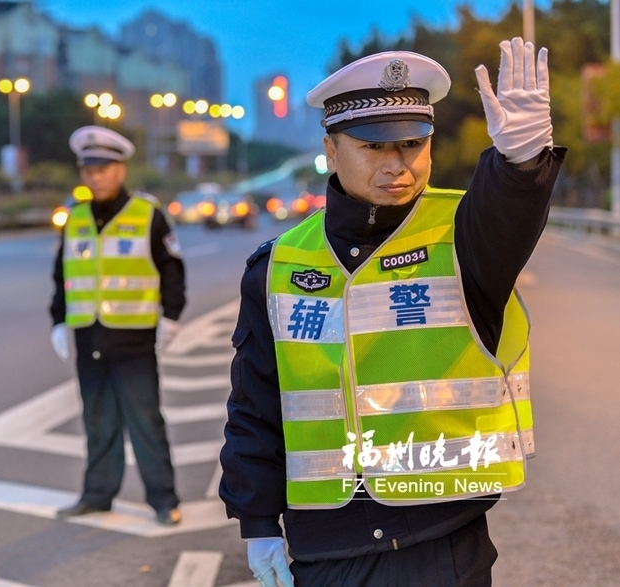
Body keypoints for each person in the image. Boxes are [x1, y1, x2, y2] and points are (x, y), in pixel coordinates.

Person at [219, 38, 565, 587]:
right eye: (373, 146)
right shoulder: (278, 265)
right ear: (331, 151)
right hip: (325, 548)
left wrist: (521, 163)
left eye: (412, 143)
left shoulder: (463, 236)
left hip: (442, 538)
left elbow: (510, 214)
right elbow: (256, 404)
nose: (398, 164)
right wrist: (257, 521)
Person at [49, 125, 186, 526]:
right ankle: (97, 494)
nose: (96, 176)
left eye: (104, 168)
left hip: (133, 338)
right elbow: (62, 275)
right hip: (88, 335)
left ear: (120, 169)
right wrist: (58, 320)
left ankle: (163, 499)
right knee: (96, 419)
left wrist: (172, 316)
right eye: (89, 169)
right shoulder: (74, 218)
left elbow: (172, 270)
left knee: (145, 419)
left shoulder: (147, 214)